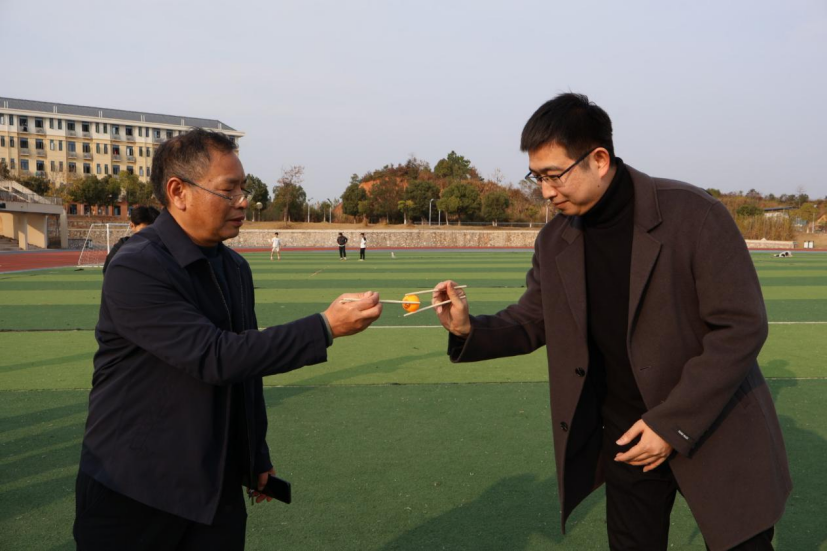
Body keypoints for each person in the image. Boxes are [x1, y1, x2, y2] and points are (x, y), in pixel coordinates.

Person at [431, 93, 790, 551]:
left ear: (599, 160)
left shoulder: (695, 214)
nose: (545, 192)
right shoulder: (554, 240)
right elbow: (534, 317)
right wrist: (467, 329)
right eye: (536, 178)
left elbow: (741, 327)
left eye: (554, 175)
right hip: (627, 435)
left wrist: (671, 424)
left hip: (708, 423)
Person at [74, 128, 383, 551]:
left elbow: (245, 371)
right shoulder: (137, 266)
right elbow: (214, 356)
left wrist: (255, 454)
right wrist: (324, 326)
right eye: (228, 189)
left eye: (243, 188)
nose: (243, 201)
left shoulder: (235, 267)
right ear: (178, 192)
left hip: (212, 483)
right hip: (133, 487)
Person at [102, 205, 160, 274]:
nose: (148, 235)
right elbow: (108, 273)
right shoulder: (120, 248)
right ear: (132, 226)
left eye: (152, 231)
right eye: (144, 231)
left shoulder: (162, 248)